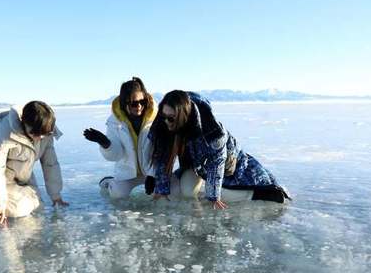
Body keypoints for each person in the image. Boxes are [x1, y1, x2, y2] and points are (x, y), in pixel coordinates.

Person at [149, 90, 290, 209]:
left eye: (171, 118)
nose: (166, 122)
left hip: (227, 161)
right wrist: (161, 189)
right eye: (164, 117)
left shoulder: (212, 131)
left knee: (224, 190)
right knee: (184, 190)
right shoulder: (165, 125)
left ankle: (260, 193)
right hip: (196, 163)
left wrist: (213, 196)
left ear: (183, 116)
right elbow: (162, 157)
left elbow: (216, 162)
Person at [0, 101, 68, 225]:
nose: (40, 138)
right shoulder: (3, 135)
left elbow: (50, 164)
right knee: (15, 210)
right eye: (35, 133)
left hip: (24, 172)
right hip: (1, 174)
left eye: (44, 134)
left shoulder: (45, 132)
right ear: (24, 123)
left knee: (37, 206)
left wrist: (55, 195)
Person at [83, 77, 157, 198]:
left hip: (151, 172)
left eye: (142, 102)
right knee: (118, 195)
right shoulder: (114, 122)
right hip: (127, 173)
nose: (138, 106)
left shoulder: (156, 119)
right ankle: (110, 181)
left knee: (168, 192)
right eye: (134, 103)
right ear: (124, 103)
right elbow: (116, 155)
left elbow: (162, 150)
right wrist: (105, 143)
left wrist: (152, 174)